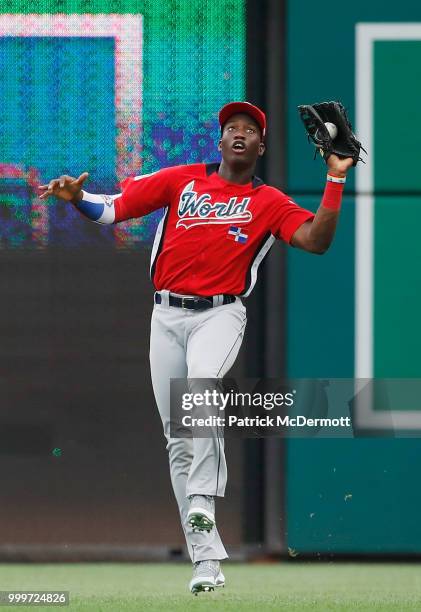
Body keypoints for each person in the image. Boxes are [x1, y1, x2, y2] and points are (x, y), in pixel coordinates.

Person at [39, 101, 353, 594]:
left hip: (220, 313)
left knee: (201, 388)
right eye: (232, 128)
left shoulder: (268, 200)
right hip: (165, 316)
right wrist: (78, 199)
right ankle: (205, 562)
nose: (241, 134)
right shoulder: (181, 180)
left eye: (251, 130)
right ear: (220, 141)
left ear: (261, 147)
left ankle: (204, 498)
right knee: (178, 440)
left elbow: (315, 241)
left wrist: (335, 179)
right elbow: (113, 209)